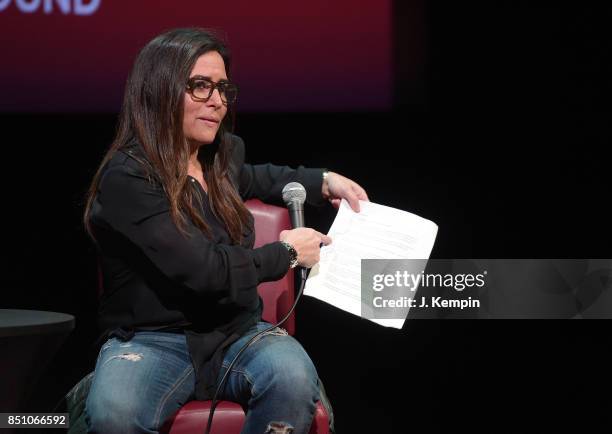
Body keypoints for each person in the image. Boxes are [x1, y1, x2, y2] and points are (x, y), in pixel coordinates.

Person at [82, 27, 368, 434]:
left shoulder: (221, 156)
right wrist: (285, 254)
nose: (217, 102)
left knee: (292, 379)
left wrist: (323, 180)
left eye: (222, 89)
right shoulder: (127, 178)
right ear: (159, 91)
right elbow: (202, 270)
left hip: (238, 332)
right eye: (200, 87)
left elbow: (258, 178)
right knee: (115, 413)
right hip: (151, 340)